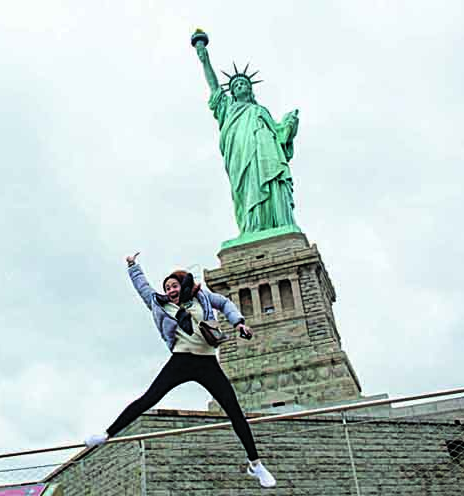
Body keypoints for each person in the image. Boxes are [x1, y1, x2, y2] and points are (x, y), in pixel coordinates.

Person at [84, 252, 277, 488]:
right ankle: (106, 434)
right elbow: (143, 288)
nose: (171, 291)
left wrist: (239, 323)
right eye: (167, 287)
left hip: (207, 362)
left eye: (174, 285)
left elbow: (225, 304)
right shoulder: (160, 304)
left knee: (234, 410)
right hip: (181, 359)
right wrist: (132, 266)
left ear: (183, 285)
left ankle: (255, 465)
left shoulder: (202, 298)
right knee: (149, 398)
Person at [194, 38, 300, 235]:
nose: (241, 85)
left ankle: (277, 224)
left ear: (250, 90)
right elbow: (214, 87)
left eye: (244, 83)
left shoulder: (260, 110)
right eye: (236, 85)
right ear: (232, 92)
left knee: (273, 182)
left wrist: (289, 125)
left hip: (267, 153)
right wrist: (204, 59)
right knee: (247, 188)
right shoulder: (228, 109)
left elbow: (280, 136)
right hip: (241, 155)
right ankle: (252, 226)